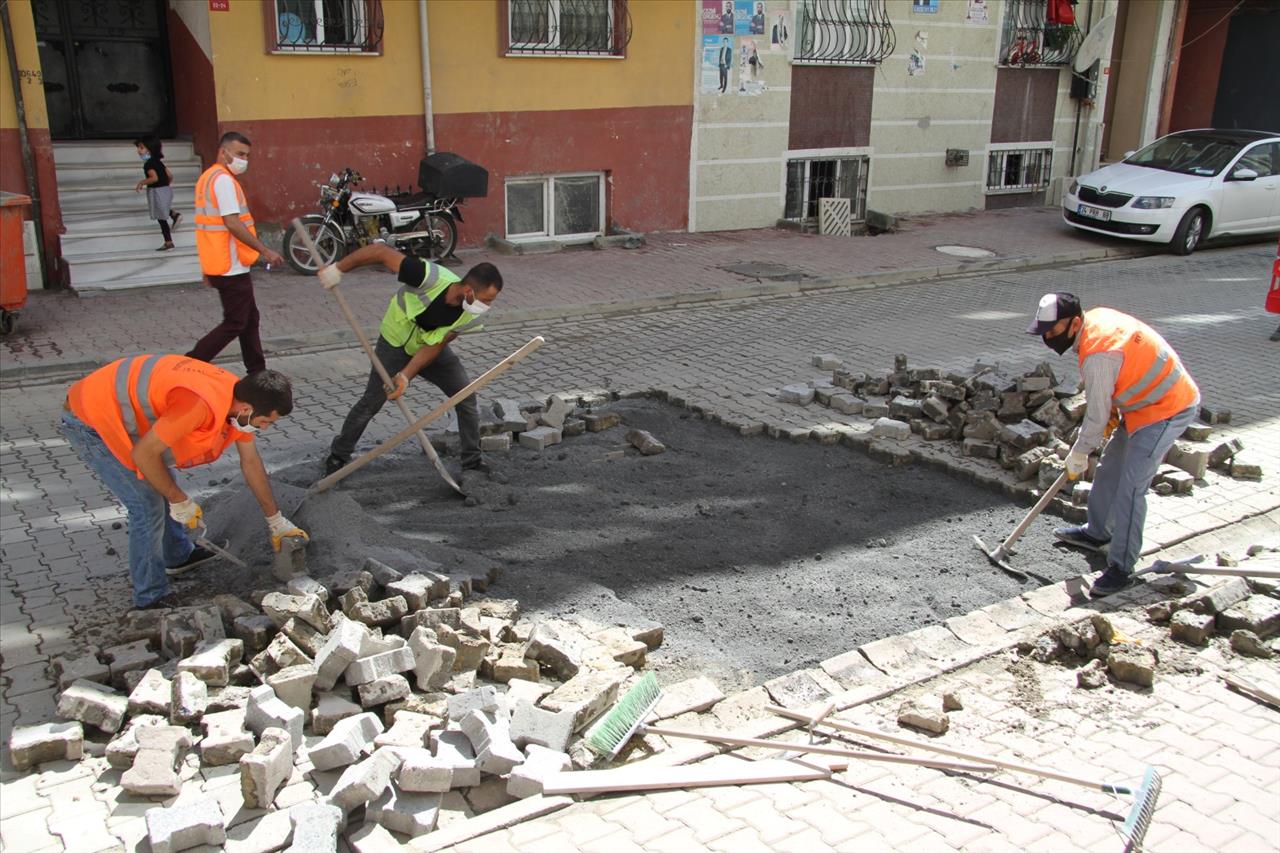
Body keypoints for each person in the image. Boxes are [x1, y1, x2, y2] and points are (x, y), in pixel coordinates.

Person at [60, 356, 308, 610]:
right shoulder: (198, 405)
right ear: (247, 408)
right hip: (89, 418)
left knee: (162, 484)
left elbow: (251, 464)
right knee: (147, 505)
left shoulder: (238, 404)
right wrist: (179, 500)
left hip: (119, 412)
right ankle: (150, 597)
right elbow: (144, 454)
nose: (265, 428)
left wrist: (275, 521)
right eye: (266, 422)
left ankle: (178, 556)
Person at [1026, 293, 1200, 597]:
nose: (1047, 338)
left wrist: (1080, 451)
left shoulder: (1098, 354)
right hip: (1138, 406)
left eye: (1051, 331)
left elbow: (1096, 414)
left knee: (1131, 488)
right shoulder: (1093, 322)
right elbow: (1117, 381)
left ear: (1075, 322)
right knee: (1109, 470)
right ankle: (1096, 533)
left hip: (1166, 408)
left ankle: (1121, 567)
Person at [320, 245, 503, 478]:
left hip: (427, 347)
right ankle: (339, 455)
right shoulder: (429, 277)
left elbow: (436, 344)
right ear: (468, 291)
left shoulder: (472, 315)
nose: (488, 306)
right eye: (486, 299)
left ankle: (472, 463)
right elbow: (380, 252)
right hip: (394, 342)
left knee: (465, 396)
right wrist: (338, 268)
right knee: (371, 402)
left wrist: (406, 375)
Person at [187, 131, 285, 376]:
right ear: (223, 152)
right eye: (240, 154)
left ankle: (257, 372)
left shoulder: (207, 178)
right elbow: (232, 223)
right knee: (236, 322)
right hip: (230, 266)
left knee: (250, 319)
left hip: (222, 263)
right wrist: (264, 250)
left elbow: (207, 227)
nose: (244, 160)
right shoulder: (223, 181)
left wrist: (206, 269)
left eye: (247, 155)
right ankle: (190, 363)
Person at [133, 137, 179, 251]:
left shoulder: (148, 164)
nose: (139, 150)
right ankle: (173, 216)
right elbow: (170, 175)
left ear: (150, 150)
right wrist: (166, 185)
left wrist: (141, 182)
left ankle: (169, 241)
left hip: (156, 191)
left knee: (161, 217)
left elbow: (154, 178)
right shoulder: (158, 162)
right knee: (162, 212)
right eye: (138, 147)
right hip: (165, 189)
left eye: (141, 148)